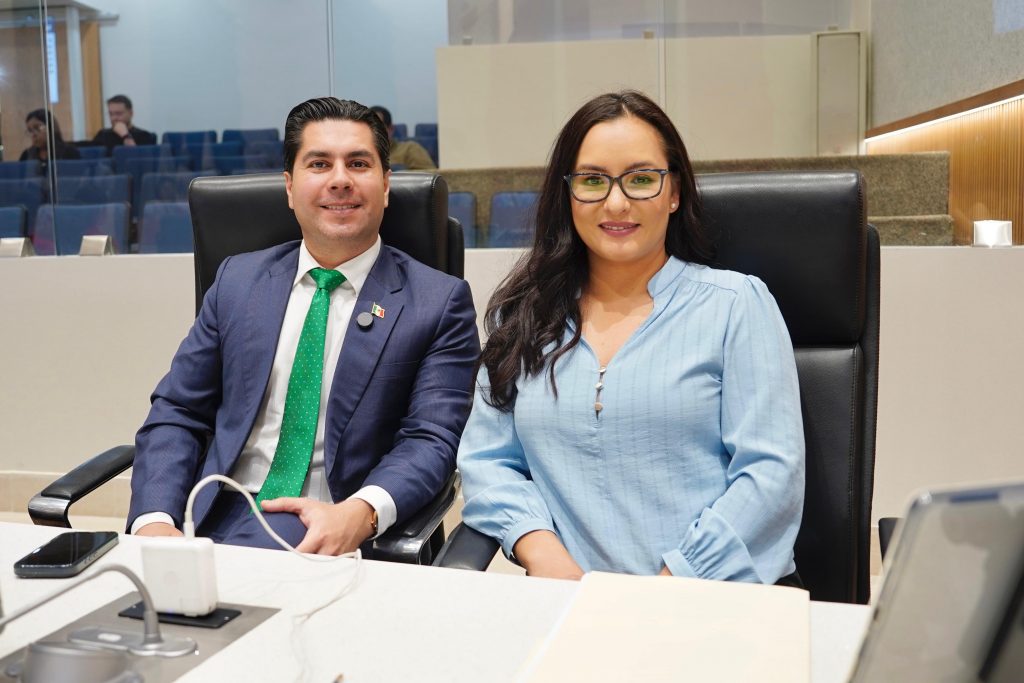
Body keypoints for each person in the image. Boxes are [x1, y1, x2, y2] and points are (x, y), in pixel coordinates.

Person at [457, 90, 805, 584]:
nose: (616, 203)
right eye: (592, 180)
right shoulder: (525, 317)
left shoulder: (735, 305)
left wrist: (675, 581)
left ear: (674, 192)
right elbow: (487, 461)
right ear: (567, 194)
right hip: (569, 600)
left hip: (707, 597)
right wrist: (543, 554)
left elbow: (770, 475)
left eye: (641, 179)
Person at [128, 97, 479, 555]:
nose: (340, 180)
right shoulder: (238, 281)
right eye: (319, 164)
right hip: (218, 512)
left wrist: (361, 512)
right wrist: (155, 521)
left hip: (335, 520)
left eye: (358, 164)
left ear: (386, 186)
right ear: (290, 187)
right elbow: (179, 410)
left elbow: (431, 439)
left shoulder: (438, 302)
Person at [371, 106, 436, 170]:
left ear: (390, 129)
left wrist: (398, 172)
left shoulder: (410, 149)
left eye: (377, 127)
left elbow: (431, 174)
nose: (371, 132)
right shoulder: (365, 154)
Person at [91, 94, 157, 152]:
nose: (114, 118)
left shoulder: (144, 136)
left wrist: (126, 135)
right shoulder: (103, 135)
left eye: (118, 113)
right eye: (111, 114)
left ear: (131, 113)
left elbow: (137, 158)